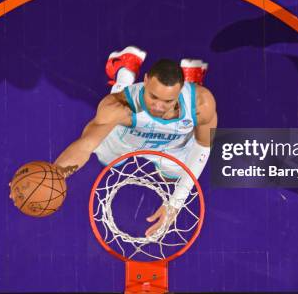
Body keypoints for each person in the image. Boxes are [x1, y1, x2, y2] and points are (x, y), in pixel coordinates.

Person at [54, 46, 217, 237]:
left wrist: (175, 203)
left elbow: (203, 147)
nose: (158, 106)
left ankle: (191, 80)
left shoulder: (202, 105)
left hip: (172, 145)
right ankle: (124, 72)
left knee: (172, 177)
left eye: (167, 101)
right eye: (153, 96)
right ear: (146, 81)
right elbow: (87, 144)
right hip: (125, 141)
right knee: (107, 158)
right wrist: (55, 174)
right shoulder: (118, 105)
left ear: (180, 90)